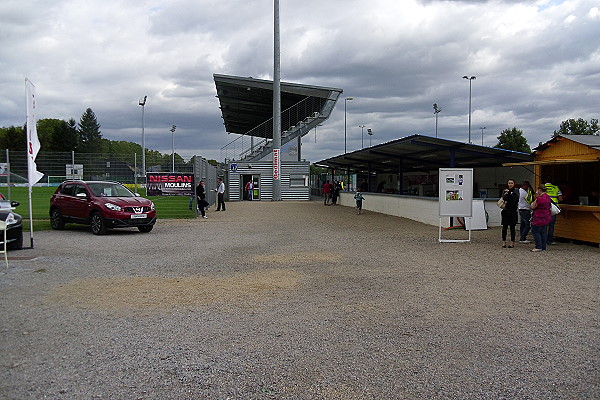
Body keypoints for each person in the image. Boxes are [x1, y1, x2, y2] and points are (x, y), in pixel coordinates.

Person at [530, 184, 552, 251]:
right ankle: (543, 246)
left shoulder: (539, 198)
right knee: (543, 232)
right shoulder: (548, 197)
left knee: (535, 231)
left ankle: (538, 246)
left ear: (539, 190)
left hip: (538, 217)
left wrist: (535, 199)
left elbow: (533, 206)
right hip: (546, 216)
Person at [500, 179, 519, 248]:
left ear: (514, 184)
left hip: (513, 211)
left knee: (512, 227)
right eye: (509, 183)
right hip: (505, 211)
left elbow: (515, 201)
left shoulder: (516, 191)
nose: (510, 184)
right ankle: (503, 242)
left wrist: (510, 195)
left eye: (512, 183)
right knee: (504, 227)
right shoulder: (505, 191)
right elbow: (504, 199)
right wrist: (506, 194)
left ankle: (512, 242)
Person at [544, 178, 563, 244]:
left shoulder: (542, 187)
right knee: (551, 225)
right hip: (553, 208)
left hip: (545, 208)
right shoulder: (556, 188)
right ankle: (550, 240)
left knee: (544, 225)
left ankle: (544, 240)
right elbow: (560, 199)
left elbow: (537, 197)